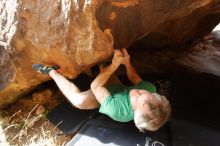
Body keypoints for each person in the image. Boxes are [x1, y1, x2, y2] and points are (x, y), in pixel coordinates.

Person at [32, 48, 171, 132]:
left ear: (135, 112)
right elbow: (136, 79)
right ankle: (100, 65)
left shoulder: (118, 112)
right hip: (118, 89)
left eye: (136, 98)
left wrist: (115, 65)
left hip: (109, 96)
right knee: (105, 67)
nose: (136, 92)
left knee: (79, 101)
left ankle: (51, 72)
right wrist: (127, 62)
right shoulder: (150, 90)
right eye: (142, 92)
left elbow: (95, 87)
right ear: (153, 95)